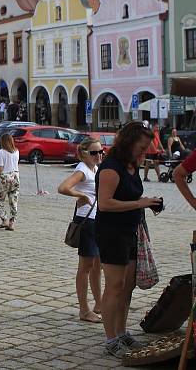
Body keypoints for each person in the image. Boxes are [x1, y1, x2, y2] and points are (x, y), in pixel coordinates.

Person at [95, 122, 161, 357]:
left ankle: (122, 332)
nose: (144, 153)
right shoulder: (111, 168)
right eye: (141, 148)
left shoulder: (131, 166)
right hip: (112, 233)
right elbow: (105, 203)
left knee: (127, 287)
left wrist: (147, 202)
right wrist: (139, 203)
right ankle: (110, 338)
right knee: (114, 286)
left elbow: (130, 196)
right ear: (129, 143)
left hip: (132, 231)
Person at [57, 137, 104, 324]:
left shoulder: (96, 169)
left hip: (98, 221)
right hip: (87, 222)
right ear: (84, 154)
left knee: (97, 265)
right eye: (94, 152)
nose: (99, 155)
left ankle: (99, 304)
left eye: (101, 151)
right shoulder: (82, 170)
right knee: (85, 267)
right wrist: (81, 195)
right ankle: (84, 309)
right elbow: (63, 187)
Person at [0, 134, 20, 231]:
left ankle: (4, 219)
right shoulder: (16, 151)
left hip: (4, 177)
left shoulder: (1, 152)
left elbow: (0, 167)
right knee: (13, 201)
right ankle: (12, 223)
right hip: (15, 176)